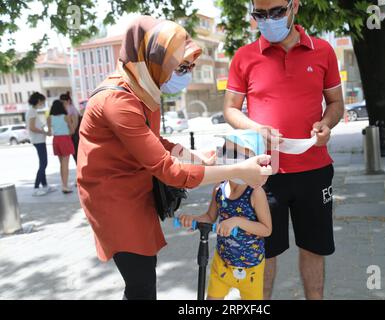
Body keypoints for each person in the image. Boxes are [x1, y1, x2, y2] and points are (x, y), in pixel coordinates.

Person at [76, 16, 272, 300]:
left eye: (190, 67)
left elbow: (153, 141)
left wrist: (191, 155)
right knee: (141, 281)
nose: (186, 74)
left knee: (144, 274)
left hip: (134, 187)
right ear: (152, 58)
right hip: (114, 199)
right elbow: (171, 172)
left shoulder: (144, 87)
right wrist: (239, 169)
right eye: (181, 67)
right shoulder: (118, 101)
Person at [223, 0, 345, 299]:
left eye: (277, 11)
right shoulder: (244, 56)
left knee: (315, 247)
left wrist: (326, 124)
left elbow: (336, 103)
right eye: (260, 14)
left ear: (295, 7)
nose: (269, 20)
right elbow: (230, 109)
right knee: (264, 250)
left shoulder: (323, 51)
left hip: (314, 170)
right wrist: (255, 129)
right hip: (264, 173)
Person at [179, 130, 272, 300]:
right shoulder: (219, 188)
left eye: (235, 153)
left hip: (251, 267)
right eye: (225, 150)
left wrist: (237, 221)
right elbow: (209, 217)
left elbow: (266, 229)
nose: (228, 157)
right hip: (222, 263)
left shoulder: (255, 193)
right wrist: (193, 220)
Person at [25, 92, 55, 196]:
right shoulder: (32, 112)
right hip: (38, 140)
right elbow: (32, 127)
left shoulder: (32, 111)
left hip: (39, 140)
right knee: (43, 163)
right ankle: (36, 187)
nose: (43, 103)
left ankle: (45, 186)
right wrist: (45, 132)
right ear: (38, 101)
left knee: (43, 163)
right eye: (42, 101)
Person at [47, 99, 75, 194]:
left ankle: (64, 184)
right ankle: (65, 186)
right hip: (65, 139)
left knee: (61, 164)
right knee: (65, 165)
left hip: (56, 140)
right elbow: (72, 130)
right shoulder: (65, 117)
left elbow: (49, 133)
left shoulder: (49, 118)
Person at [60, 92, 81, 164]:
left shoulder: (71, 108)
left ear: (68, 101)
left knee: (77, 154)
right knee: (75, 154)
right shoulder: (68, 108)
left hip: (74, 135)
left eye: (63, 101)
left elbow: (75, 123)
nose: (62, 103)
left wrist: (70, 134)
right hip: (72, 134)